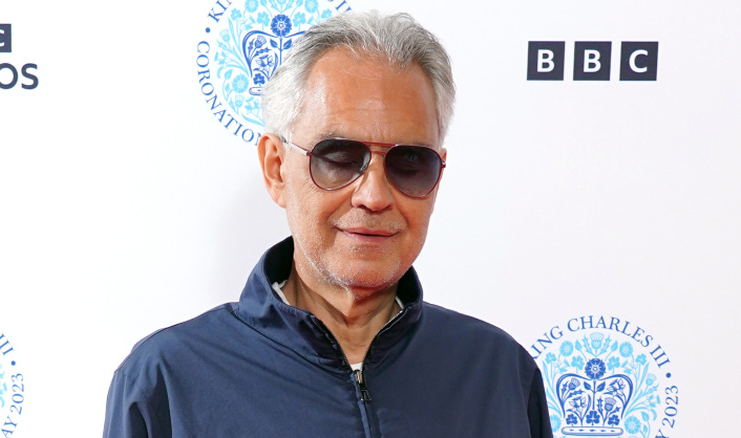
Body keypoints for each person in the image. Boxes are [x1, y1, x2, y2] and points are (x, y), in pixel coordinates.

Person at [103, 11, 552, 438]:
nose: (373, 195)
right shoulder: (168, 381)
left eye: (409, 163)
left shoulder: (500, 374)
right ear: (277, 169)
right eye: (339, 158)